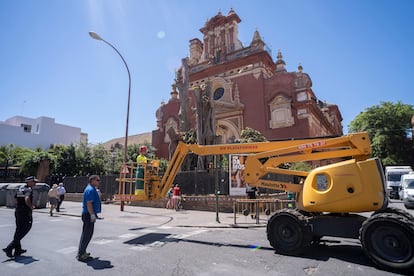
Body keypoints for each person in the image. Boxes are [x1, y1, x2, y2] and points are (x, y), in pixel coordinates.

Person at [3, 176, 38, 258]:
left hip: (18, 211)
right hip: (25, 213)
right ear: (29, 182)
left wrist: (19, 205)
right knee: (26, 229)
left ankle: (18, 249)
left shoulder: (21, 189)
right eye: (34, 182)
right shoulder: (28, 189)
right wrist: (30, 207)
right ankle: (9, 247)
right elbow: (27, 199)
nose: (35, 183)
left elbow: (15, 198)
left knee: (18, 229)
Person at [77, 175, 102, 262]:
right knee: (87, 235)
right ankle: (81, 254)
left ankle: (82, 252)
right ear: (92, 181)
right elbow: (89, 204)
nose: (99, 182)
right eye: (97, 180)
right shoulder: (90, 190)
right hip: (88, 214)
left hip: (88, 214)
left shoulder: (91, 189)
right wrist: (92, 215)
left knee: (87, 234)